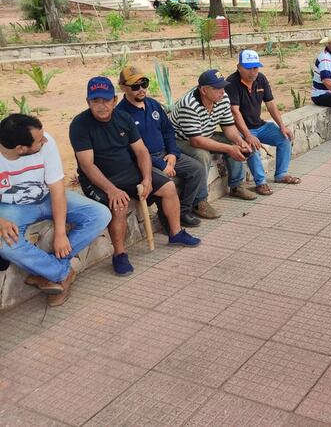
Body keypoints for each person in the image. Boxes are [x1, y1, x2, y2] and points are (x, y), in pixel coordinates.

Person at [70, 77, 200, 276]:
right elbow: (87, 166)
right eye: (95, 101)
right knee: (119, 205)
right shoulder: (80, 124)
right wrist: (111, 190)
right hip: (99, 179)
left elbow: (141, 151)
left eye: (105, 100)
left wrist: (147, 178)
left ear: (114, 100)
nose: (102, 106)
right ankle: (120, 255)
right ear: (88, 102)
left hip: (128, 171)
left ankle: (175, 233)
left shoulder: (123, 118)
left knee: (168, 187)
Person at [0, 114, 111, 306]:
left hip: (48, 196)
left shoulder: (47, 142)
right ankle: (62, 273)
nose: (45, 140)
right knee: (6, 244)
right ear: (20, 149)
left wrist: (60, 233)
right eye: (39, 140)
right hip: (13, 206)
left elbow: (58, 190)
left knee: (100, 214)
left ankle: (45, 272)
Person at [115, 66, 214, 226]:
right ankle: (166, 218)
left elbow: (168, 130)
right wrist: (162, 165)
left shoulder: (153, 104)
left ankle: (183, 211)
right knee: (165, 182)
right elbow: (131, 151)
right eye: (135, 86)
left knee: (197, 169)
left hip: (165, 153)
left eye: (144, 84)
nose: (141, 89)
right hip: (145, 161)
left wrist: (173, 154)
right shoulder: (121, 114)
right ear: (122, 87)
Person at [170, 69, 258, 201]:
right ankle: (199, 201)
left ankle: (237, 186)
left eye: (223, 87)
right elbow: (196, 141)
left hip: (205, 134)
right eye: (217, 88)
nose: (222, 91)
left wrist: (239, 141)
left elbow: (228, 127)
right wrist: (228, 148)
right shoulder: (189, 105)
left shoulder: (223, 98)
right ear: (204, 90)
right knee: (202, 155)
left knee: (236, 143)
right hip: (180, 139)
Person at [225, 50, 301, 196]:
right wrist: (247, 135)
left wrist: (282, 126)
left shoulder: (261, 79)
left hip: (260, 125)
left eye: (256, 67)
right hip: (242, 130)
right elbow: (235, 112)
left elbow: (271, 104)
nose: (253, 72)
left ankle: (281, 174)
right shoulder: (231, 83)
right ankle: (260, 182)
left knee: (284, 137)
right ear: (239, 66)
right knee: (251, 146)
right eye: (249, 68)